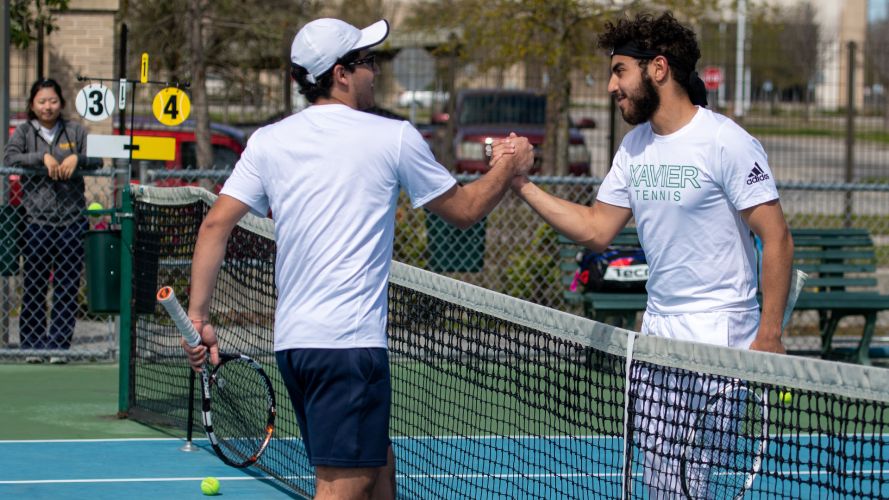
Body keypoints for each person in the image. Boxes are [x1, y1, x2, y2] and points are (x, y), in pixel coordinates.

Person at [181, 18, 534, 500]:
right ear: (341, 74)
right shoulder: (393, 137)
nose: (376, 72)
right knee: (342, 488)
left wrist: (197, 316)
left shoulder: (268, 140)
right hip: (347, 348)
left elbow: (214, 225)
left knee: (377, 466)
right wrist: (510, 167)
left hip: (295, 348)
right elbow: (466, 210)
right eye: (368, 62)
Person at [508, 11, 794, 497]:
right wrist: (520, 184)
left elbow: (778, 238)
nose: (610, 86)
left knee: (689, 479)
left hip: (721, 331)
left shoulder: (725, 141)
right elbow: (597, 229)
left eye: (620, 71)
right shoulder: (634, 146)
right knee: (663, 482)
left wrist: (769, 334)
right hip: (658, 330)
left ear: (657, 68)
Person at [4, 78, 102, 364]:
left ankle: (58, 346)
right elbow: (10, 156)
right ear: (32, 104)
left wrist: (77, 159)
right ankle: (33, 346)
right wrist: (42, 158)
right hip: (36, 221)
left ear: (61, 102)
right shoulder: (24, 131)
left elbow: (97, 160)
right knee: (34, 284)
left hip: (72, 220)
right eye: (42, 101)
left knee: (67, 285)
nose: (48, 106)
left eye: (53, 101)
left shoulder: (75, 131)